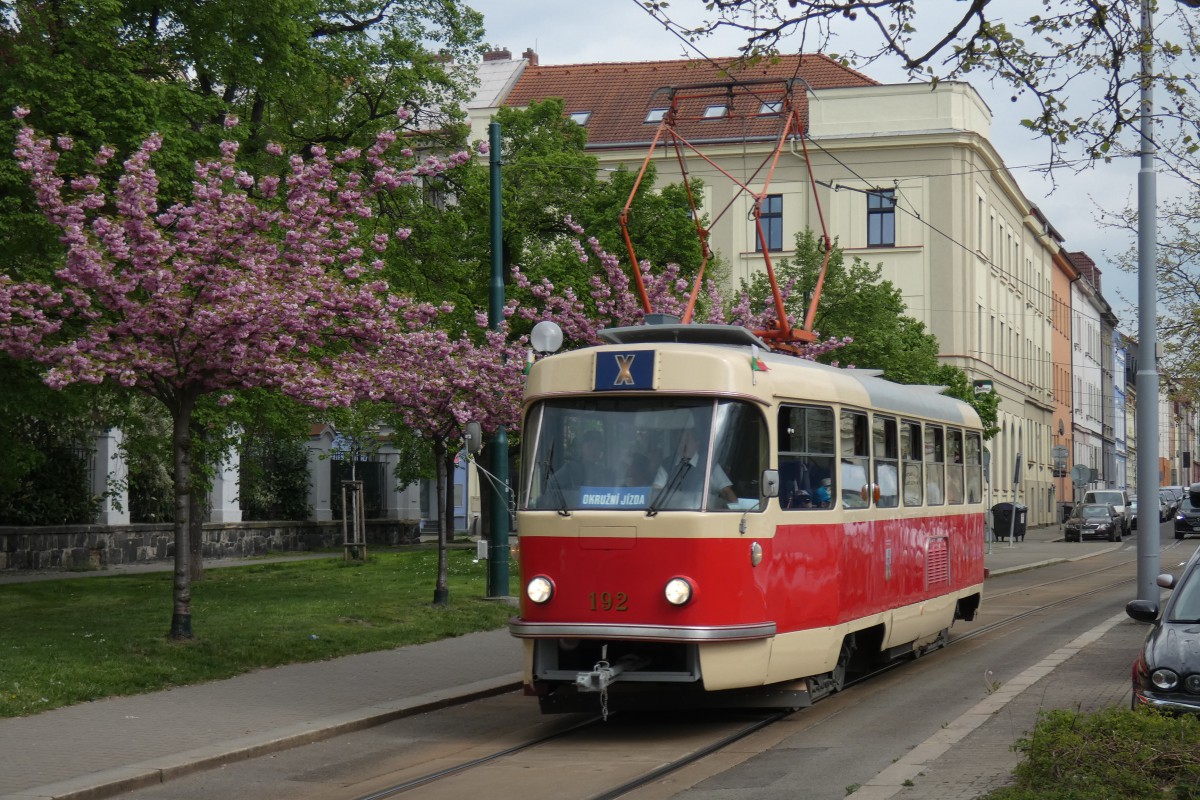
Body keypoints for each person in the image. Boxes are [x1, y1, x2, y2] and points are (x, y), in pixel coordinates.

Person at [652, 428, 737, 508]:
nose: (684, 445)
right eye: (680, 442)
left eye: (687, 441)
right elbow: (656, 491)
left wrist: (735, 511)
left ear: (697, 444)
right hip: (672, 514)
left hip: (703, 516)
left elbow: (726, 491)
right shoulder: (667, 464)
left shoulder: (709, 464)